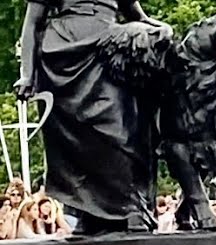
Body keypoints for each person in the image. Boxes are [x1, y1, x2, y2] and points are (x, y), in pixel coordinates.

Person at [16, 0, 168, 232]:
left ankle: (129, 206)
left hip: (107, 47)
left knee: (120, 129)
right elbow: (32, 22)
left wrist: (163, 29)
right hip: (64, 51)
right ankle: (89, 211)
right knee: (77, 140)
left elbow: (138, 16)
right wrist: (27, 74)